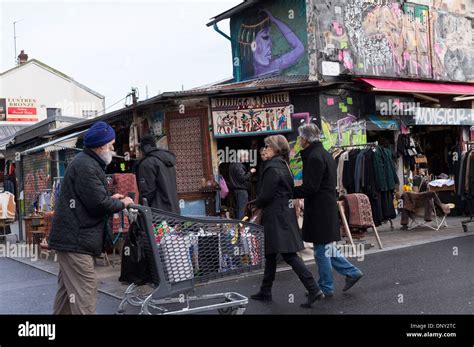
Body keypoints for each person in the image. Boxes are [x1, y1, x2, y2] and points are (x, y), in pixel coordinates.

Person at [49, 121, 134, 314]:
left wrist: (110, 198)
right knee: (85, 290)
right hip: (76, 241)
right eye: (111, 145)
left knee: (67, 294)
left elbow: (90, 199)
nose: (113, 149)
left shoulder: (86, 163)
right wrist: (123, 203)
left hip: (70, 240)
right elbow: (98, 205)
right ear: (101, 145)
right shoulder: (87, 167)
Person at [251, 135, 324, 308]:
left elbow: (266, 194)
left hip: (276, 216)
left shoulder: (271, 168)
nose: (264, 149)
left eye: (267, 146)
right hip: (283, 214)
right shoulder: (284, 165)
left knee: (289, 254)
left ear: (276, 149)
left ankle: (313, 289)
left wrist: (256, 204)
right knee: (270, 253)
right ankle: (265, 290)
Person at [294, 123, 363, 298]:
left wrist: (289, 191)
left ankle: (325, 286)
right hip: (325, 207)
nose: (299, 140)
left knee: (320, 250)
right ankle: (352, 272)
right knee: (325, 247)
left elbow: (311, 187)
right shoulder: (323, 154)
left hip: (320, 209)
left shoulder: (314, 157)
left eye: (300, 137)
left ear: (305, 139)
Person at [238, 9, 305, 78]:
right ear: (253, 45)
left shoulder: (243, 71)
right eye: (265, 37)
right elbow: (300, 48)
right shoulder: (273, 66)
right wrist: (275, 20)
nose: (271, 43)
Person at [135, 135, 180, 213]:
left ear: (144, 148)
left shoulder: (147, 163)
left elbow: (147, 191)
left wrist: (141, 207)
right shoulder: (167, 160)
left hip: (158, 212)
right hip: (174, 211)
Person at [228, 150, 256, 220]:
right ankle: (241, 227)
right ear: (242, 156)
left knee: (238, 208)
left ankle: (239, 225)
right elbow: (242, 178)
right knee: (242, 209)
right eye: (246, 156)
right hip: (241, 190)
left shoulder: (232, 164)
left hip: (235, 190)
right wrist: (250, 172)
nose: (247, 158)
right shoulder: (239, 165)